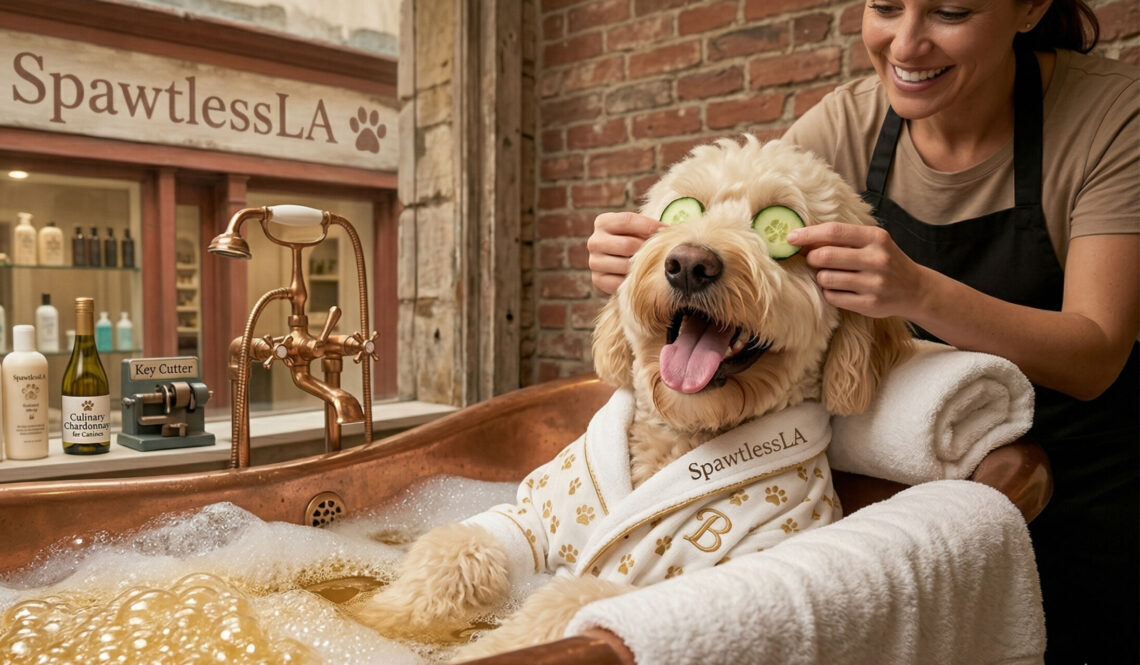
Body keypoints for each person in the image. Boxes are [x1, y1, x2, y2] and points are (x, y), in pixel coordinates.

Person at [586, 0, 1138, 662]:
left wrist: (919, 291)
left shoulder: (1112, 116)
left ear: (1028, 10)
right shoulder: (842, 126)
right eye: (884, 6)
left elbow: (1098, 352)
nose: (906, 43)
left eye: (950, 11)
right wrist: (648, 256)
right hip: (913, 484)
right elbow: (745, 249)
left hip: (1091, 486)